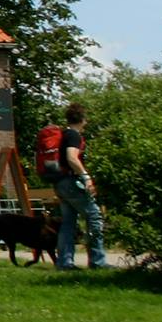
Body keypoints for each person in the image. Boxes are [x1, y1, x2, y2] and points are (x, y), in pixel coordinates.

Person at [53, 101, 110, 271]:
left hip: (60, 182)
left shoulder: (64, 134)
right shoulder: (73, 135)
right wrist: (86, 176)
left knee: (68, 223)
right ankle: (98, 261)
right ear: (82, 119)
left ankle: (64, 263)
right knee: (94, 217)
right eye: (86, 119)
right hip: (72, 182)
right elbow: (71, 157)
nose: (86, 122)